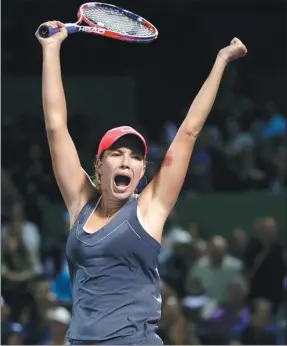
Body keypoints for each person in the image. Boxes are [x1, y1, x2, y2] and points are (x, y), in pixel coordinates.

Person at [35, 20, 247, 345]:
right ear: (100, 164)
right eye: (116, 153)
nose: (125, 161)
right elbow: (55, 128)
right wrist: (51, 49)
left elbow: (189, 132)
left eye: (135, 157)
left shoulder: (149, 210)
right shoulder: (80, 203)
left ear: (140, 170)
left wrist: (220, 61)